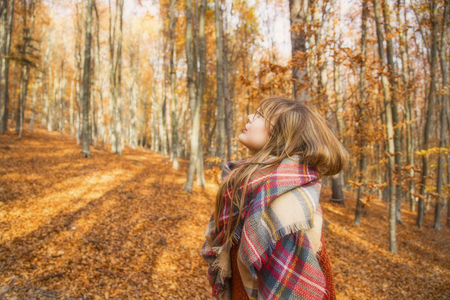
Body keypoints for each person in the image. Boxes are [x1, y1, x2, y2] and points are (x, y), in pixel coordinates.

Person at [202, 96, 348, 300]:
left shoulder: (290, 206)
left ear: (281, 136)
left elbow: (317, 279)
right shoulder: (242, 188)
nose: (249, 116)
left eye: (261, 115)